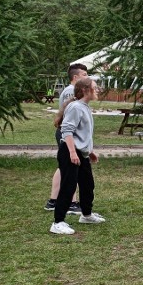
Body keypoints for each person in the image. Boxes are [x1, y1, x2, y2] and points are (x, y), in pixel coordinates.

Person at [50, 77, 105, 235]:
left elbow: (82, 133)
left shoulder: (84, 106)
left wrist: (89, 151)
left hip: (81, 152)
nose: (98, 90)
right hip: (69, 152)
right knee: (68, 186)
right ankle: (58, 222)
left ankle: (86, 215)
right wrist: (73, 153)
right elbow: (66, 131)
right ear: (85, 90)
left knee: (88, 184)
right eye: (95, 87)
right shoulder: (75, 107)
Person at [45, 63, 88, 214]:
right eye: (84, 75)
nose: (87, 77)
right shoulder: (71, 91)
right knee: (71, 166)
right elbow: (71, 116)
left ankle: (53, 200)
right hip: (68, 133)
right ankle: (72, 202)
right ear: (75, 77)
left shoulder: (70, 90)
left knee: (63, 167)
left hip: (67, 132)